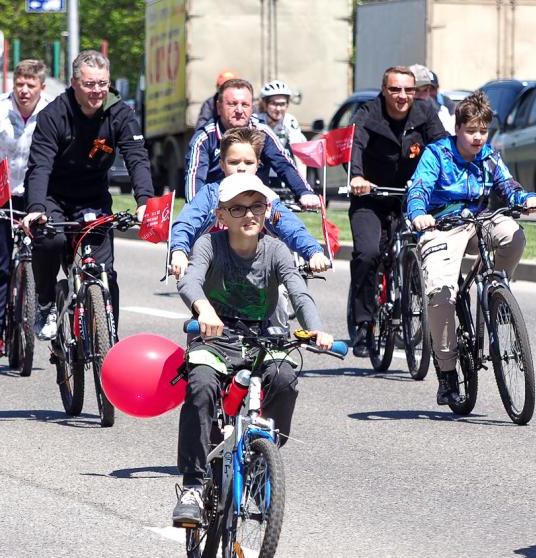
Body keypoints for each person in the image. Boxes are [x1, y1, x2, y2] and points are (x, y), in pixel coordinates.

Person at [171, 172, 333, 525]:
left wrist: (316, 329)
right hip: (215, 336)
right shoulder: (208, 245)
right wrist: (205, 310)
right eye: (238, 208)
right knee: (199, 386)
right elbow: (190, 279)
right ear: (222, 216)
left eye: (256, 206)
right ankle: (193, 485)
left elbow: (298, 291)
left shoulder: (275, 250)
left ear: (266, 211)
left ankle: (263, 456)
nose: (249, 215)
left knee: (285, 378)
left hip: (264, 337)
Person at [406, 91, 536, 405]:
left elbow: (508, 185)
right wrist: (419, 214)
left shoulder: (488, 156)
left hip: (480, 219)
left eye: (483, 130)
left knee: (514, 235)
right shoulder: (437, 154)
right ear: (457, 129)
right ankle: (448, 373)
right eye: (471, 131)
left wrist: (524, 200)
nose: (478, 137)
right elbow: (420, 188)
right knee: (441, 293)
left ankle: (497, 288)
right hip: (442, 224)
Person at [21, 50, 154, 340]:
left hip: (93, 197)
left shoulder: (120, 113)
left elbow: (137, 158)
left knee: (105, 272)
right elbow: (40, 165)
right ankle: (45, 304)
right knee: (51, 239)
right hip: (54, 196)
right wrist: (36, 207)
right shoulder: (53, 115)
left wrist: (144, 202)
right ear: (74, 83)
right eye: (89, 84)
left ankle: (110, 338)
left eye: (102, 84)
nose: (97, 91)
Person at [347, 65, 447, 357]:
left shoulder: (425, 112)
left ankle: (418, 298)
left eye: (409, 90)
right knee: (367, 254)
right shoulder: (368, 112)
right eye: (395, 89)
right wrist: (356, 176)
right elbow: (355, 144)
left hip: (412, 195)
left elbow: (441, 148)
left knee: (431, 247)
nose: (402, 96)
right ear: (384, 90)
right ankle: (364, 325)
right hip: (371, 196)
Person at [0, 60, 51, 356]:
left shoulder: (51, 110)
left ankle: (47, 314)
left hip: (37, 193)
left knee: (48, 252)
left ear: (42, 87)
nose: (24, 91)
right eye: (19, 84)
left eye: (31, 85)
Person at [170, 127, 329, 279]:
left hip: (258, 274)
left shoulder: (267, 198)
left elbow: (287, 224)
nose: (241, 168)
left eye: (248, 162)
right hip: (216, 272)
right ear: (222, 164)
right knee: (195, 294)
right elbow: (187, 222)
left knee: (282, 299)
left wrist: (313, 252)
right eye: (234, 162)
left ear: (258, 164)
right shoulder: (210, 195)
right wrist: (179, 251)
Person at [184, 78, 320, 210]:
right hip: (218, 209)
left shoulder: (262, 131)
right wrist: (197, 210)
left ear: (251, 108)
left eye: (245, 105)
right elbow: (195, 179)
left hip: (257, 207)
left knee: (294, 230)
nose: (239, 110)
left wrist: (304, 192)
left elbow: (283, 163)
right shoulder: (204, 138)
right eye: (232, 104)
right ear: (219, 107)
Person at [254, 80, 308, 193]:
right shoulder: (256, 119)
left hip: (279, 171)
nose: (278, 109)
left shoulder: (289, 120)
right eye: (274, 104)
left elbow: (299, 152)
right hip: (257, 171)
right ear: (265, 104)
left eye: (282, 104)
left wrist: (303, 186)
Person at [411, 64, 455, 134]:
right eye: (416, 90)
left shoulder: (441, 112)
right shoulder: (396, 112)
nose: (421, 95)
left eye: (425, 90)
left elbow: (445, 140)